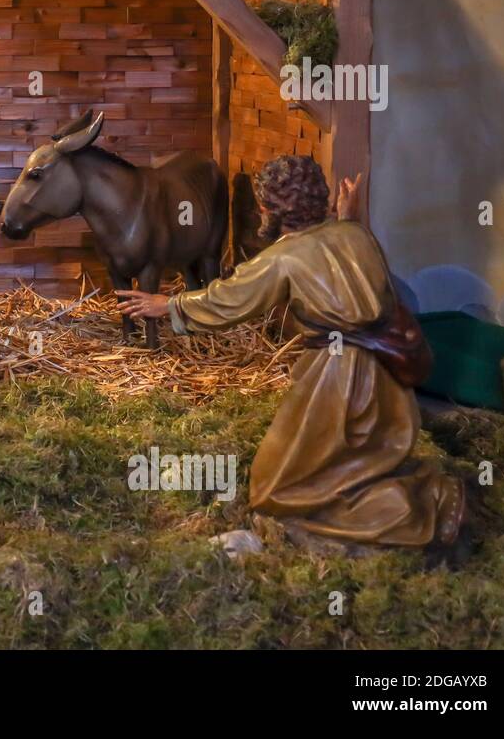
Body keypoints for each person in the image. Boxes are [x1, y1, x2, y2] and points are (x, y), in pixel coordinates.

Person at [117, 156, 468, 557]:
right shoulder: (357, 238)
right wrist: (349, 219)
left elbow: (228, 300)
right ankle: (402, 498)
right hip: (387, 379)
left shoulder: (283, 259)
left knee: (281, 488)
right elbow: (346, 257)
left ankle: (408, 513)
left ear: (267, 209)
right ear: (321, 199)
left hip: (337, 380)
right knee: (360, 461)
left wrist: (169, 305)